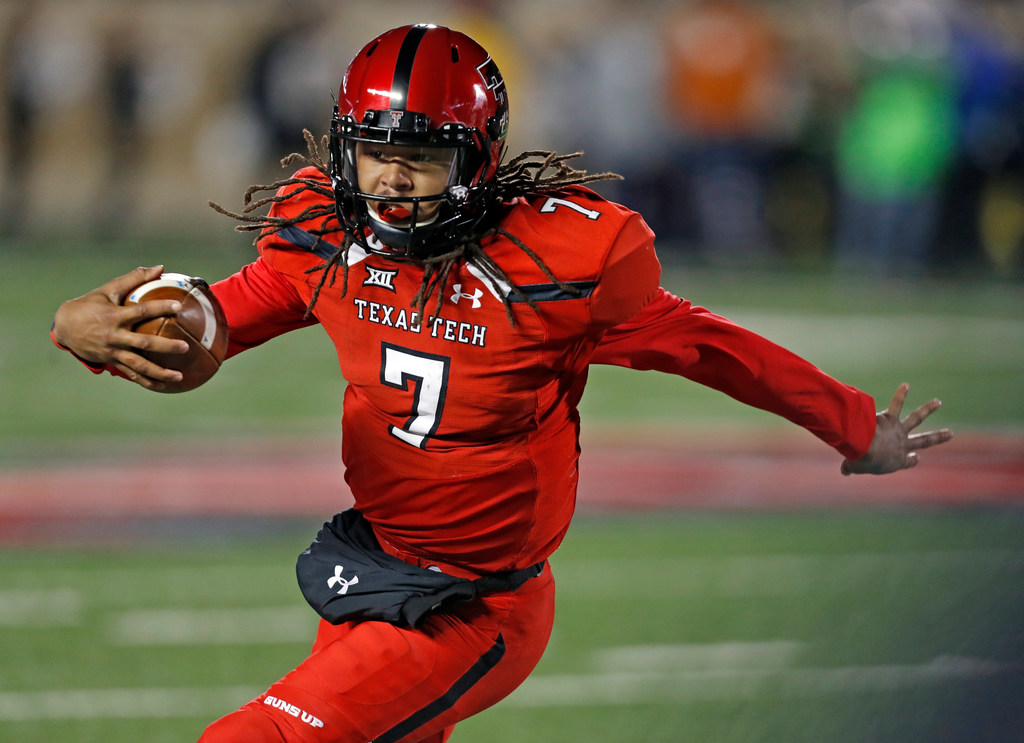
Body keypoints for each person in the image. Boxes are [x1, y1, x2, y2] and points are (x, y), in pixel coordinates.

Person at [51, 24, 952, 743]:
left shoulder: (554, 267)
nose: (393, 178)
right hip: (371, 570)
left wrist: (854, 423)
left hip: (475, 605)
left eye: (424, 156)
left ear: (477, 159)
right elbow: (219, 318)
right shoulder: (325, 239)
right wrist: (88, 330)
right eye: (374, 152)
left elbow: (706, 346)